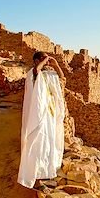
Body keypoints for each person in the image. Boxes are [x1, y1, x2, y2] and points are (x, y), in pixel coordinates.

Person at [18, 52, 65, 189]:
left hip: (49, 115)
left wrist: (56, 65)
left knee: (49, 144)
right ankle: (34, 174)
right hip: (38, 115)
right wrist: (43, 62)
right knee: (36, 143)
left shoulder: (49, 75)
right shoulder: (32, 74)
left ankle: (47, 172)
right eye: (43, 58)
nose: (47, 61)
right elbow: (36, 71)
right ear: (37, 60)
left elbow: (62, 79)